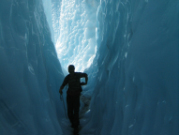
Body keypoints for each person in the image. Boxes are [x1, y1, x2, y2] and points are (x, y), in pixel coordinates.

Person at [59, 65, 88, 135]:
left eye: (71, 70)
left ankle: (75, 126)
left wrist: (60, 90)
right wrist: (85, 82)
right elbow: (85, 75)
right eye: (70, 70)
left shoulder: (69, 77)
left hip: (72, 96)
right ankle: (75, 125)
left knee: (72, 111)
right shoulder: (74, 76)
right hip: (73, 96)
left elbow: (63, 85)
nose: (71, 71)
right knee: (74, 111)